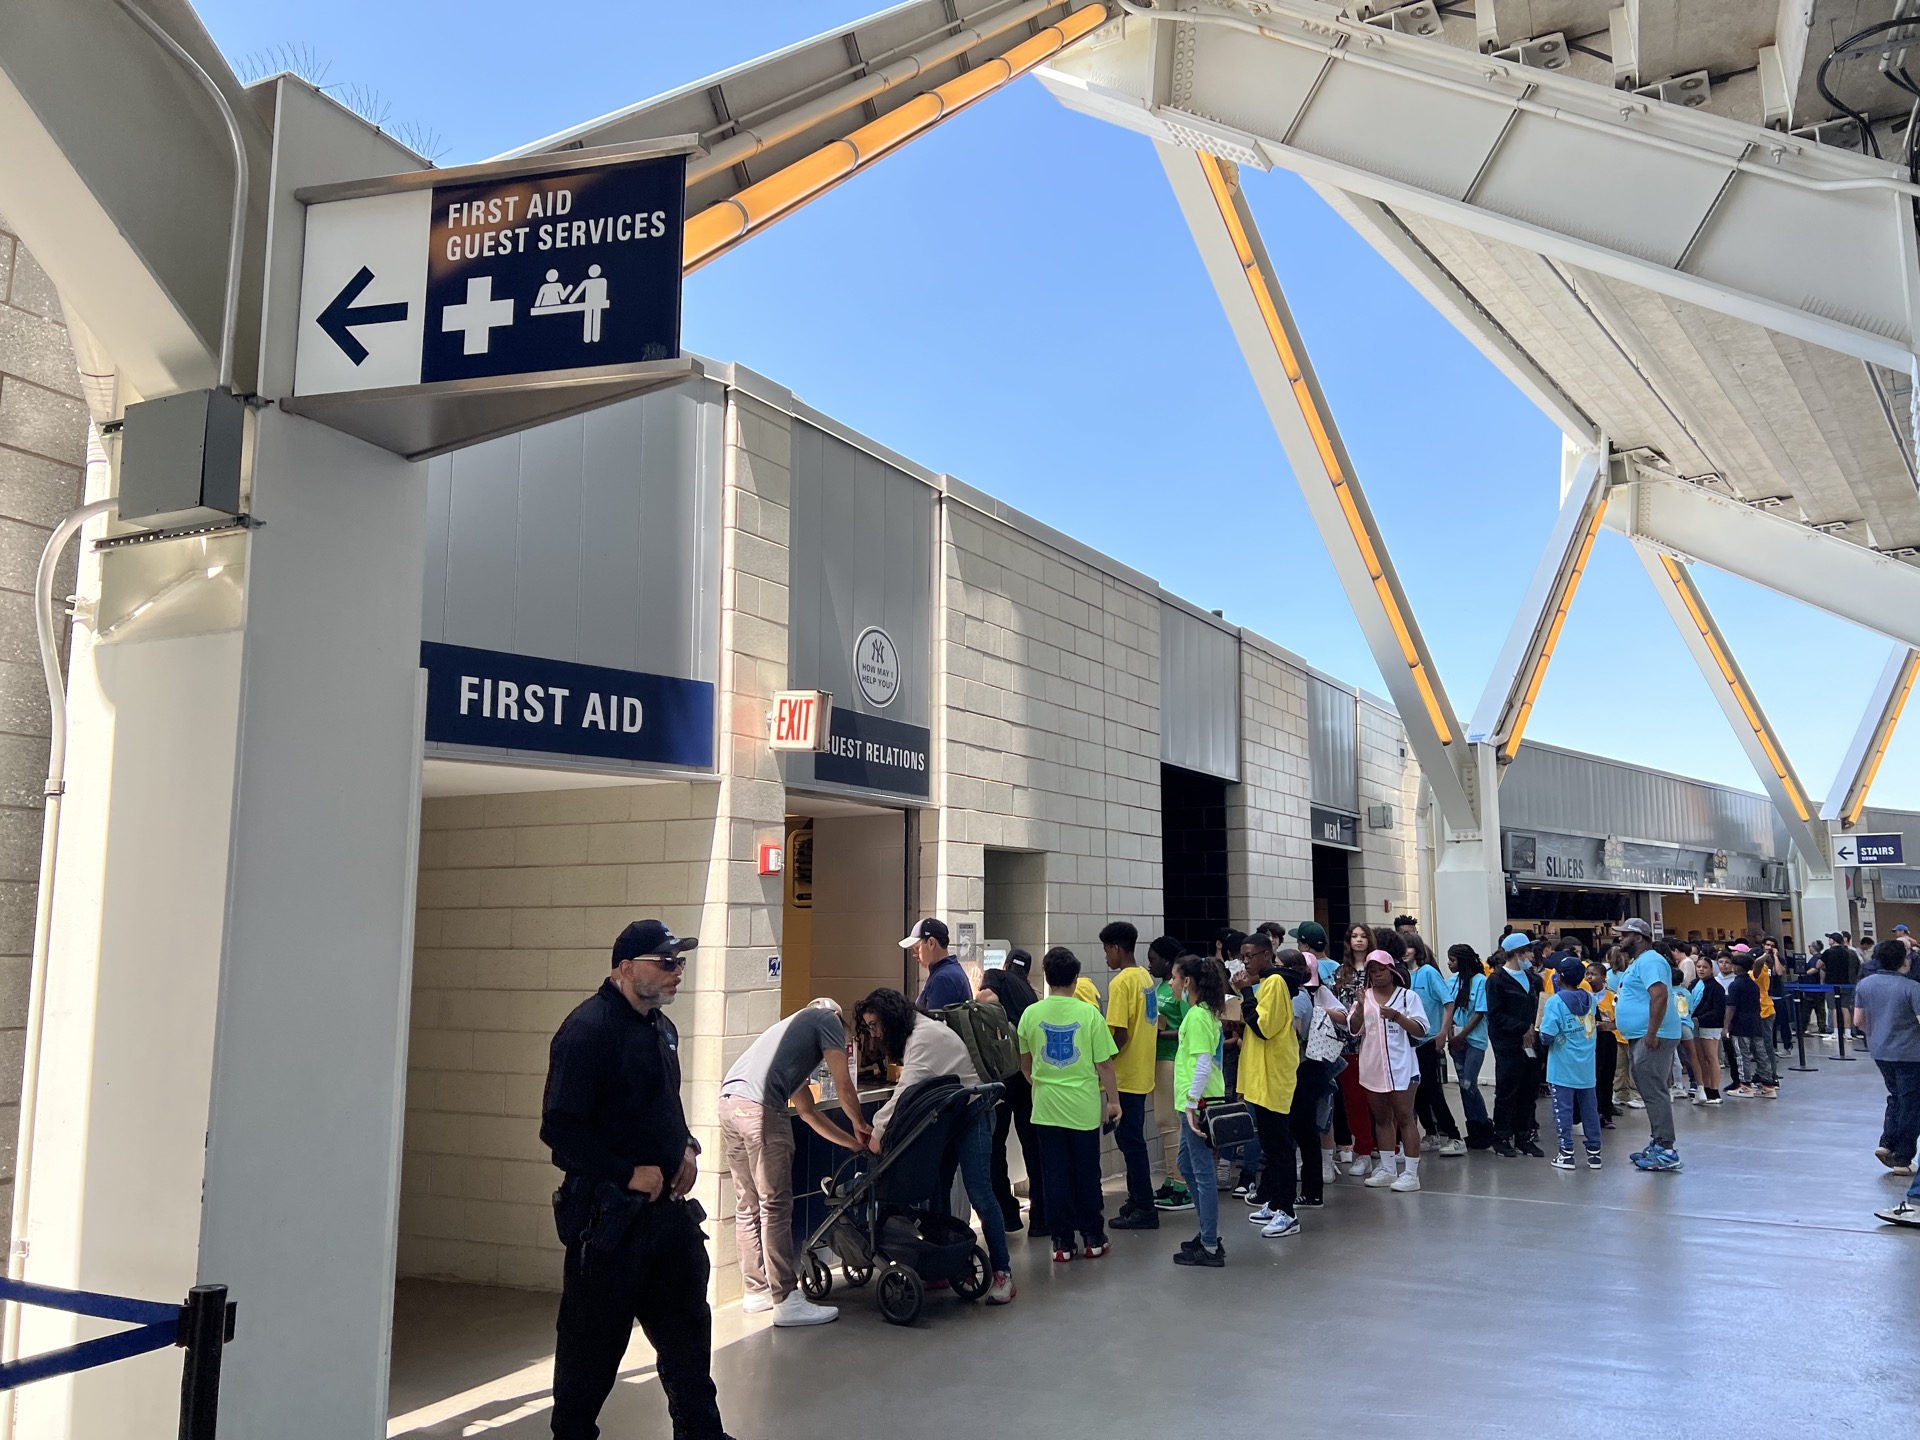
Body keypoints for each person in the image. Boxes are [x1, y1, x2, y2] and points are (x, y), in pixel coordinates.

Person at [542, 920, 734, 1440]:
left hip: (667, 1220)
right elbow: (559, 1130)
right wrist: (627, 1173)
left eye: (681, 964)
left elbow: (662, 1109)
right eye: (666, 963)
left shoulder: (661, 1028)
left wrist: (687, 1147)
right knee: (591, 1350)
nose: (678, 974)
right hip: (608, 1225)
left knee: (688, 1337)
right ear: (626, 969)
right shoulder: (587, 1031)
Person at [855, 988, 1016, 1305]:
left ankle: (1003, 1274)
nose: (873, 1033)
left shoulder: (924, 1036)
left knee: (981, 1192)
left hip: (973, 1113)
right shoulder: (918, 1030)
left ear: (889, 1018)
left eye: (874, 1025)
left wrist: (877, 1130)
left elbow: (906, 1090)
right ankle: (942, 1265)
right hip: (953, 1115)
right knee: (938, 1190)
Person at [718, 997, 865, 1327]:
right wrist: (863, 1127)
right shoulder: (826, 1019)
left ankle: (756, 1292)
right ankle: (786, 1298)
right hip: (761, 1110)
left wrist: (852, 1144)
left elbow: (807, 1112)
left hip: (730, 1105)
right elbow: (843, 1085)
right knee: (776, 1205)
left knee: (748, 1204)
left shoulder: (786, 1039)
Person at [1015, 948, 1120, 1264]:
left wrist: (1044, 1085)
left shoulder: (1030, 1014)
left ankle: (1061, 1242)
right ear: (1076, 979)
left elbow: (1025, 1066)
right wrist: (1113, 1101)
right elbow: (1105, 1065)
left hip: (1046, 1109)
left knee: (1053, 1175)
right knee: (1087, 1173)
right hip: (1083, 1109)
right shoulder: (1089, 1015)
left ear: (1046, 979)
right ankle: (1093, 1238)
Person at [1235, 932, 1303, 1235]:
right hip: (1261, 1075)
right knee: (1270, 1144)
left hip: (1274, 1074)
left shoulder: (1274, 983)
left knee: (1280, 1146)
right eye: (1242, 957)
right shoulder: (1265, 984)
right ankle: (1275, 1202)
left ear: (1267, 954)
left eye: (1251, 956)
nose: (1246, 962)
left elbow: (1263, 1027)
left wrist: (1247, 993)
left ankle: (1287, 1212)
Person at [1095, 921, 1161, 1230]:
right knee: (1132, 1140)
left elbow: (1119, 1033)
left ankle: (1145, 1207)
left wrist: (1102, 1058)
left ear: (1117, 948)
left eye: (1107, 950)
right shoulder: (1145, 977)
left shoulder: (1121, 983)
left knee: (1131, 1142)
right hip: (1141, 1070)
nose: (1106, 957)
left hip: (1125, 1076)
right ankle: (1137, 1199)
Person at [1348, 948, 1428, 1190]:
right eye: (1373, 971)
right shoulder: (1365, 997)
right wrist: (1360, 1009)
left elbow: (1421, 1030)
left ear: (1392, 970)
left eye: (1382, 970)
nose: (1378, 975)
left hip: (1403, 1067)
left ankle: (1411, 1174)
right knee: (1382, 1119)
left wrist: (1397, 1017)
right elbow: (1353, 1029)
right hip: (1372, 1066)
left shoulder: (1407, 998)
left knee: (1405, 1117)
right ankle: (1388, 1168)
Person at [977, 951, 1044, 1234]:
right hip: (1027, 1076)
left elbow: (986, 999)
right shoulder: (1031, 994)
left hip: (1002, 1074)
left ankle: (1008, 1214)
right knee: (1033, 1145)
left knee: (995, 1144)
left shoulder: (995, 975)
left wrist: (974, 992)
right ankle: (1041, 1218)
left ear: (1004, 965)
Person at [1170, 954, 1229, 1267]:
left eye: (1174, 977)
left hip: (1199, 1104)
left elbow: (1203, 1062)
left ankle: (1209, 1243)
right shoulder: (1203, 1012)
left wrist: (1192, 1104)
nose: (1171, 983)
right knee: (1187, 1164)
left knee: (1202, 1171)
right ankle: (1208, 1231)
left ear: (1188, 981)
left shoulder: (1197, 1017)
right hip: (1194, 1102)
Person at [1613, 918, 1684, 1172]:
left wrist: (1652, 1033)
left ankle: (1666, 1148)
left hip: (1653, 1035)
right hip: (1643, 1034)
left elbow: (1659, 995)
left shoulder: (1651, 960)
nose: (1621, 939)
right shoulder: (1640, 962)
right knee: (1649, 1088)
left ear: (1639, 938)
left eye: (1625, 935)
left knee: (1653, 1091)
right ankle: (1658, 1142)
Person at [1855, 939, 1920, 1178]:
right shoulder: (1912, 988)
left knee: (1896, 1097)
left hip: (1880, 1052)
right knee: (1912, 1105)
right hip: (1911, 1054)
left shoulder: (1865, 985)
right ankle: (1902, 1158)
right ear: (1904, 960)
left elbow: (1858, 1021)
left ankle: (1887, 1142)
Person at [1276, 947, 1333, 1211]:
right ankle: (1311, 1191)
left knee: (1304, 1131)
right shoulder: (1294, 996)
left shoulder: (1297, 999)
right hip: (1299, 1069)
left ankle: (1312, 1192)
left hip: (1303, 1070)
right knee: (1302, 1131)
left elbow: (1292, 1034)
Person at [1538, 957, 1602, 1170]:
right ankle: (1594, 1154)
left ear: (1559, 977)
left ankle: (1566, 1154)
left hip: (1563, 1067)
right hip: (1586, 1067)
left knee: (1562, 1111)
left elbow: (1546, 1035)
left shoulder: (1555, 1002)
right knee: (1590, 1110)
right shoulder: (1591, 999)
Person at [1147, 936, 1195, 1212]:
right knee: (1164, 1122)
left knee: (1170, 1123)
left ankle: (1181, 1185)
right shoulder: (1161, 987)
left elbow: (1190, 1027)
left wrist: (1158, 1034)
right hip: (1158, 1058)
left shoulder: (1182, 989)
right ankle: (1171, 1177)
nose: (1149, 964)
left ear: (1167, 961)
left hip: (1172, 1058)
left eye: (1153, 959)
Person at [1406, 933, 1465, 1156]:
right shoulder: (1401, 976)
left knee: (1432, 1090)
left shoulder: (1428, 973)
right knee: (1417, 1091)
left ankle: (1454, 1136)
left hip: (1428, 1040)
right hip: (1409, 1042)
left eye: (1409, 947)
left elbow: (1448, 1002)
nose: (1405, 951)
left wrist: (1442, 1032)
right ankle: (1430, 1133)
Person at [1487, 932, 1543, 1157]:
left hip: (1532, 1046)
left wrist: (1535, 1028)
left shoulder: (1533, 980)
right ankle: (1501, 1136)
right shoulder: (1497, 980)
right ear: (1517, 953)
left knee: (1529, 1092)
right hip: (1508, 1045)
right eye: (1528, 951)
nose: (1531, 955)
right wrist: (1521, 1027)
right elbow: (1495, 1014)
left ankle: (1524, 1135)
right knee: (1507, 1091)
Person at [1334, 923, 1377, 1177]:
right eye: (1354, 936)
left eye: (1363, 936)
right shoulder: (1341, 972)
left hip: (1376, 1043)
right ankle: (1362, 1150)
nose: (1358, 940)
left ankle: (1388, 1148)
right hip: (1349, 1043)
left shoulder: (1379, 970)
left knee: (1380, 1099)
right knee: (1354, 1100)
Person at [1440, 944, 1492, 1148]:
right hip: (1455, 1042)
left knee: (1468, 1084)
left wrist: (1461, 1036)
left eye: (1452, 960)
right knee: (1463, 1087)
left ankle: (1484, 1125)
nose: (1449, 964)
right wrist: (1451, 1035)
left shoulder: (1481, 982)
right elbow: (1449, 1010)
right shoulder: (1451, 982)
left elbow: (1479, 1013)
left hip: (1474, 1040)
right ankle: (1473, 1130)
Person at [1723, 954, 1771, 1099]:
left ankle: (1745, 1085)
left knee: (1742, 1054)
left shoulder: (1735, 985)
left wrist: (1726, 1026)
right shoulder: (1754, 985)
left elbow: (1731, 1007)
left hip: (1739, 1025)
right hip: (1755, 1023)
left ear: (1736, 967)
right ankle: (1768, 1085)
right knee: (1760, 1054)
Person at [903, 917, 971, 1008]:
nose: (914, 954)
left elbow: (932, 1021)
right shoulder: (948, 972)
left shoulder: (943, 978)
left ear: (931, 943)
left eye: (917, 948)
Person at [1688, 953, 1726, 1105]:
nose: (1701, 970)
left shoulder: (1716, 987)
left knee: (1711, 1057)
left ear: (1711, 969)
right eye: (1698, 967)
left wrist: (1700, 1018)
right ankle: (1705, 1088)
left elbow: (1718, 1009)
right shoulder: (1694, 984)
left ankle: (1715, 1091)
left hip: (1710, 1025)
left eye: (1704, 967)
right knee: (1700, 1058)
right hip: (1695, 1024)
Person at [1824, 931, 1862, 1038]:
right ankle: (1848, 1032)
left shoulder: (1829, 952)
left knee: (1835, 1008)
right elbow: (1858, 966)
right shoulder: (1850, 953)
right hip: (1848, 983)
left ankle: (1836, 1032)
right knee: (1845, 1007)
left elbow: (1820, 965)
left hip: (1833, 983)